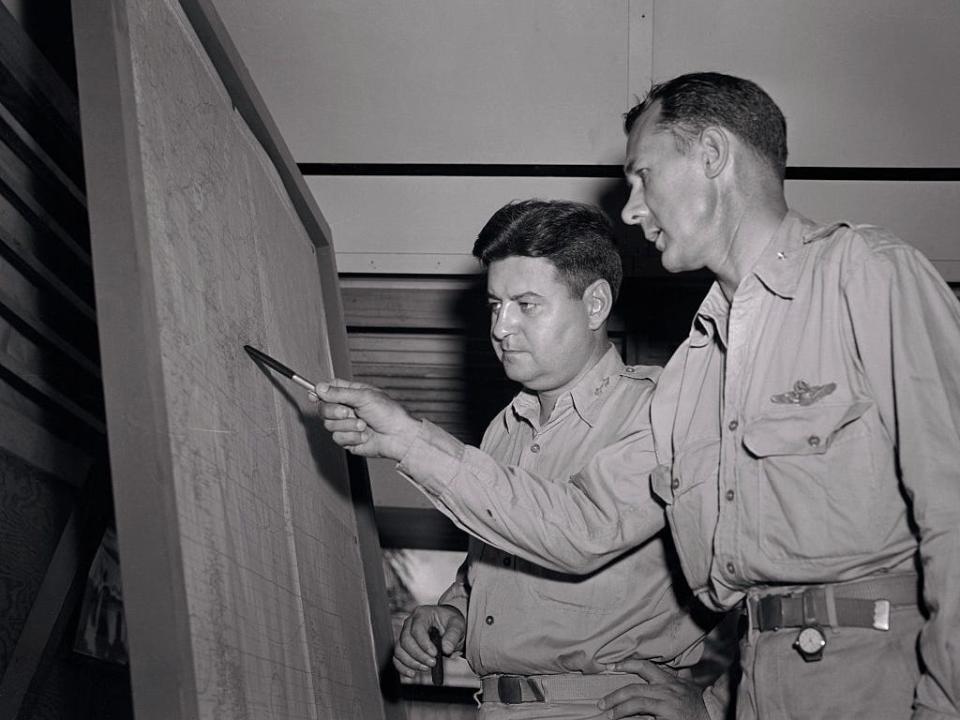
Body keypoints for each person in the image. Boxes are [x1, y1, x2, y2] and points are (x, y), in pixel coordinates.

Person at [600, 71, 960, 720]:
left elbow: (956, 507)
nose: (629, 209)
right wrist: (715, 703)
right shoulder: (697, 360)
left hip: (884, 682)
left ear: (711, 155)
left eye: (642, 175)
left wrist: (947, 701)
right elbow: (585, 522)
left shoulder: (867, 273)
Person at [313, 199, 717, 719]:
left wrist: (717, 704)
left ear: (595, 305)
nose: (501, 328)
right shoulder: (503, 429)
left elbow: (581, 531)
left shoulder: (661, 409)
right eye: (494, 305)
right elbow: (507, 549)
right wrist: (455, 610)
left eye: (526, 304)